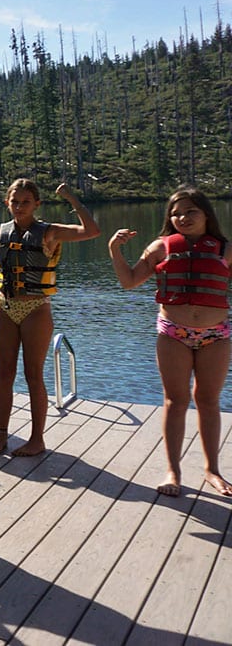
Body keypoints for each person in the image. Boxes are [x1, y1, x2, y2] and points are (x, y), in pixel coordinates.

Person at [0, 180, 99, 457]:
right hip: (4, 306)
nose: (19, 207)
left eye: (25, 202)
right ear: (7, 203)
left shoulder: (49, 233)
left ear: (36, 204)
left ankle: (36, 439)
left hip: (36, 308)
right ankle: (2, 435)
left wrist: (70, 198)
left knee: (33, 376)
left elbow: (92, 231)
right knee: (5, 374)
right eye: (14, 201)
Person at [108, 186, 232, 497]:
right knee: (175, 402)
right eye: (176, 213)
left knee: (208, 401)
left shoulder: (225, 249)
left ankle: (212, 470)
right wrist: (114, 249)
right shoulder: (160, 248)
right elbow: (128, 281)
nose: (182, 217)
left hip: (215, 335)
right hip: (173, 333)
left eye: (190, 211)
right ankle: (173, 471)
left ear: (206, 214)